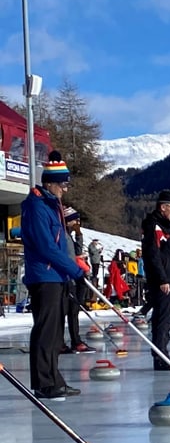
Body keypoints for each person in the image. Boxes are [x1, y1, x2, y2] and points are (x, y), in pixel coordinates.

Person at [20, 151, 87, 399]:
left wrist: (73, 264)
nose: (65, 190)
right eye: (63, 184)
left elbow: (59, 245)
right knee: (46, 331)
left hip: (57, 276)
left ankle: (55, 378)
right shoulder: (37, 206)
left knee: (56, 333)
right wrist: (74, 269)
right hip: (44, 277)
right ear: (51, 183)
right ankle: (43, 383)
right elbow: (46, 246)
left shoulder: (51, 205)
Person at [141, 190, 170, 370]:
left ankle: (162, 354)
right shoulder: (155, 226)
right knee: (162, 319)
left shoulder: (168, 227)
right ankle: (160, 356)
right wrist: (162, 278)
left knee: (166, 319)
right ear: (163, 207)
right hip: (163, 280)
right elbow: (154, 255)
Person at [63, 208, 94, 354]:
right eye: (74, 220)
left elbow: (78, 252)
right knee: (66, 311)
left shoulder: (69, 235)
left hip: (74, 277)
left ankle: (76, 340)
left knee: (74, 310)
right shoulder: (62, 234)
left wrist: (79, 234)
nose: (77, 223)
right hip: (67, 277)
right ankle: (63, 342)